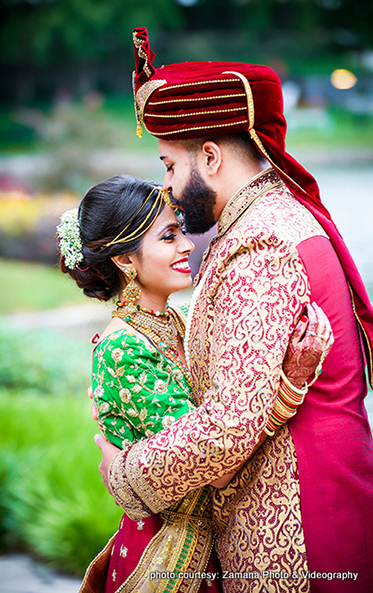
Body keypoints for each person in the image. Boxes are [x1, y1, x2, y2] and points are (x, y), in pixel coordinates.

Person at [94, 28, 373, 593]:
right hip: (297, 498)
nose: (167, 188)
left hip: (301, 519)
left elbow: (229, 422)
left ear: (212, 158)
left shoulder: (261, 241)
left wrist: (124, 474)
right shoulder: (256, 223)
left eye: (170, 166)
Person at [57, 175, 331, 593]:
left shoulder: (177, 323)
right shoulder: (122, 349)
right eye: (168, 237)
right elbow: (214, 468)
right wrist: (290, 387)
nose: (187, 245)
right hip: (173, 555)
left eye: (181, 230)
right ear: (125, 261)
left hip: (211, 541)